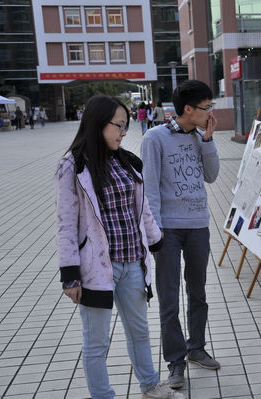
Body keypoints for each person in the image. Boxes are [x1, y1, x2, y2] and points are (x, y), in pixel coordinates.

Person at [54, 95, 183, 399]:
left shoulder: (125, 160)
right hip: (97, 270)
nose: (124, 132)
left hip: (133, 263)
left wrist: (155, 239)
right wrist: (69, 275)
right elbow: (65, 224)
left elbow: (142, 208)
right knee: (96, 342)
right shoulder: (72, 166)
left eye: (126, 126)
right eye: (119, 126)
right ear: (99, 124)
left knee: (139, 331)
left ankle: (151, 385)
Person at [141, 80, 220, 389]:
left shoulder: (202, 136)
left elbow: (212, 176)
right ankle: (175, 362)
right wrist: (155, 230)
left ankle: (196, 348)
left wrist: (209, 140)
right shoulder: (154, 138)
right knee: (169, 296)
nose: (210, 112)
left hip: (198, 225)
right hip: (168, 229)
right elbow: (149, 186)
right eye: (207, 107)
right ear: (188, 109)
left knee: (198, 291)